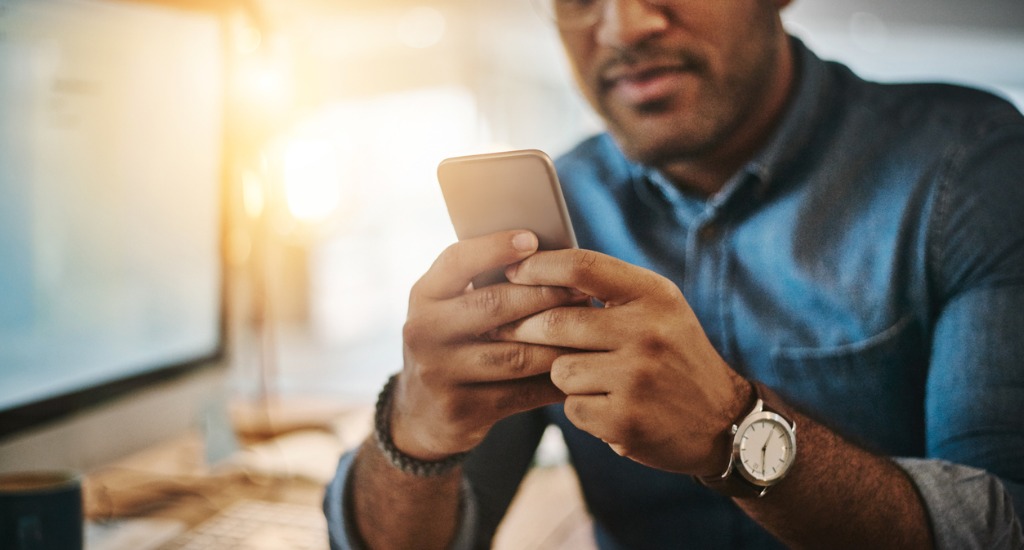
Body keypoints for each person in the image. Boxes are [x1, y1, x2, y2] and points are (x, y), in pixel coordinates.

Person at [325, 0, 1024, 548]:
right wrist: (414, 429)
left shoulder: (972, 170)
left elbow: (1005, 522)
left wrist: (733, 429)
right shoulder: (556, 211)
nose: (625, 25)